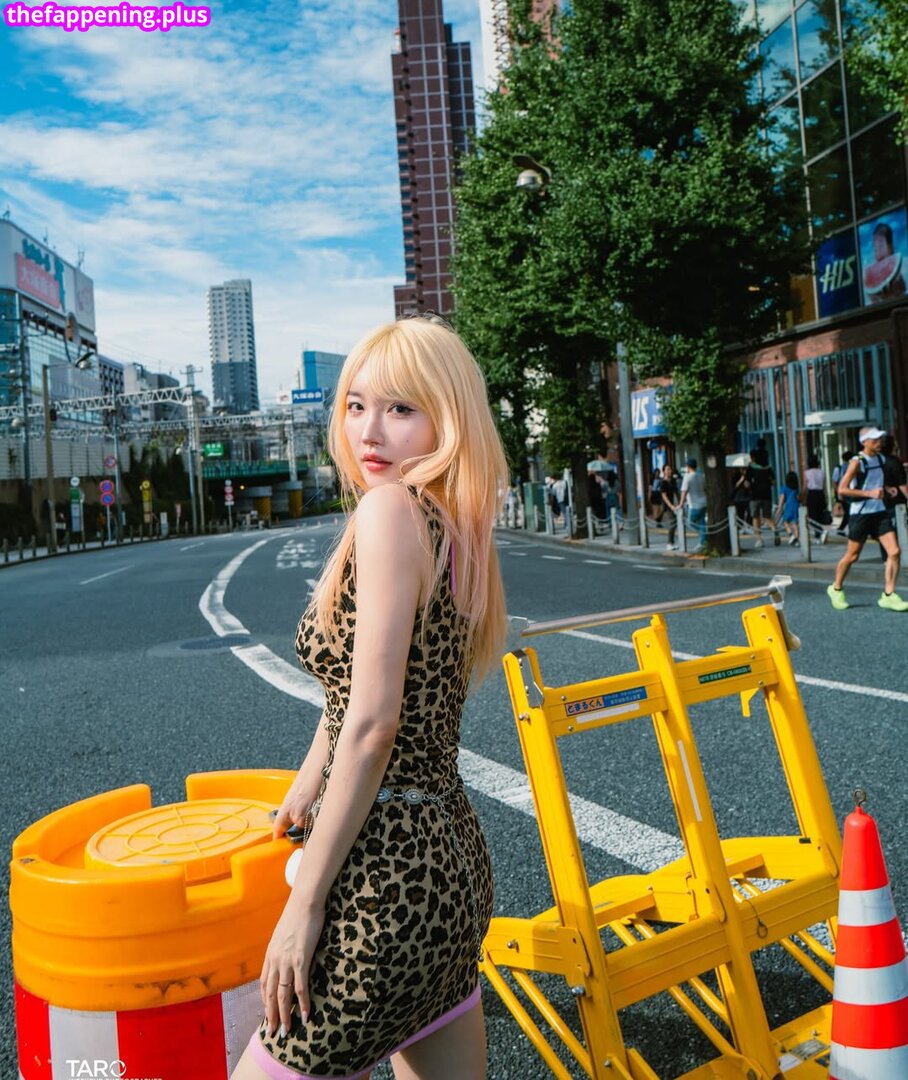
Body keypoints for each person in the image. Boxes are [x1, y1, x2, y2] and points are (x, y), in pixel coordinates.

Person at [231, 318, 506, 1080]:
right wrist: (306, 783)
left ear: (448, 419)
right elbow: (357, 694)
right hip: (451, 860)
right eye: (356, 405)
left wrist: (305, 905)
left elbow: (374, 725)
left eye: (400, 409)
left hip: (384, 880)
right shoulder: (459, 525)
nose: (369, 431)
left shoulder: (389, 513)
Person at [827, 425, 908, 612]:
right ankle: (836, 588)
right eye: (874, 440)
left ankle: (889, 595)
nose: (879, 442)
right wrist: (869, 493)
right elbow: (842, 489)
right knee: (852, 556)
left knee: (894, 551)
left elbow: (874, 481)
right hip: (861, 514)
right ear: (864, 442)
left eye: (880, 439)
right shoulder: (857, 462)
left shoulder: (881, 459)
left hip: (879, 512)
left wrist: (886, 489)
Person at [746, 439, 776, 548]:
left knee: (755, 517)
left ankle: (759, 539)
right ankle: (775, 529)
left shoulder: (751, 467)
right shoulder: (768, 467)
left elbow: (747, 483)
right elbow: (773, 482)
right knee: (767, 517)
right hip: (767, 494)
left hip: (755, 495)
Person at [678, 457, 707, 553]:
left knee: (690, 523)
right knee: (702, 522)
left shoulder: (687, 477)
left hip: (694, 504)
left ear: (688, 466)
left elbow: (684, 491)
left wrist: (680, 504)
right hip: (704, 502)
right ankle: (702, 542)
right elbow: (705, 489)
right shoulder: (701, 476)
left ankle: (705, 535)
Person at [803, 454, 828, 543]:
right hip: (820, 494)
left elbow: (805, 487)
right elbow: (824, 486)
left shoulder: (807, 473)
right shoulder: (822, 472)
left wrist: (802, 496)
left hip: (812, 495)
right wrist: (826, 497)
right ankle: (820, 532)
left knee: (812, 516)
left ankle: (819, 533)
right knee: (820, 514)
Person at [831, 449, 853, 535]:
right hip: (850, 492)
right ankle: (842, 528)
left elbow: (834, 482)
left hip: (843, 492)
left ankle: (842, 528)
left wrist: (838, 493)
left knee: (848, 511)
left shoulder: (838, 468)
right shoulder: (852, 467)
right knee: (849, 511)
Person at [775, 470, 801, 545]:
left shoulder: (784, 488)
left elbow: (782, 500)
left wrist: (778, 511)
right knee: (795, 523)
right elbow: (798, 497)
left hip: (789, 506)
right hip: (796, 505)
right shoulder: (796, 488)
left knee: (786, 522)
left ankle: (791, 535)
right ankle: (797, 539)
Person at [659, 463, 680, 549]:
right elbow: (664, 496)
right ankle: (669, 543)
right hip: (667, 506)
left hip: (675, 505)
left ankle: (672, 542)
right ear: (664, 471)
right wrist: (670, 505)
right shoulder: (663, 482)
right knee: (672, 523)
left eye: (670, 469)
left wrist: (680, 503)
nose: (669, 471)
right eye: (667, 469)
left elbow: (676, 492)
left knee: (675, 522)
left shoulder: (673, 481)